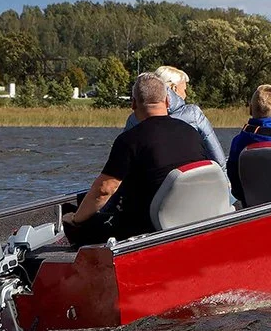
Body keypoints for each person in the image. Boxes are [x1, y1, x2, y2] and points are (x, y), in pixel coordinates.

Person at [63, 73, 206, 246]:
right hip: (190, 221)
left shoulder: (129, 140)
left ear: (133, 104)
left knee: (70, 215)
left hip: (145, 230)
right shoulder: (191, 133)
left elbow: (105, 189)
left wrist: (76, 219)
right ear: (168, 101)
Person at [124, 65, 226, 171]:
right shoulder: (193, 114)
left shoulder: (134, 118)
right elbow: (217, 158)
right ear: (174, 88)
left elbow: (123, 161)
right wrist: (226, 183)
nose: (186, 95)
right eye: (184, 90)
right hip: (192, 182)